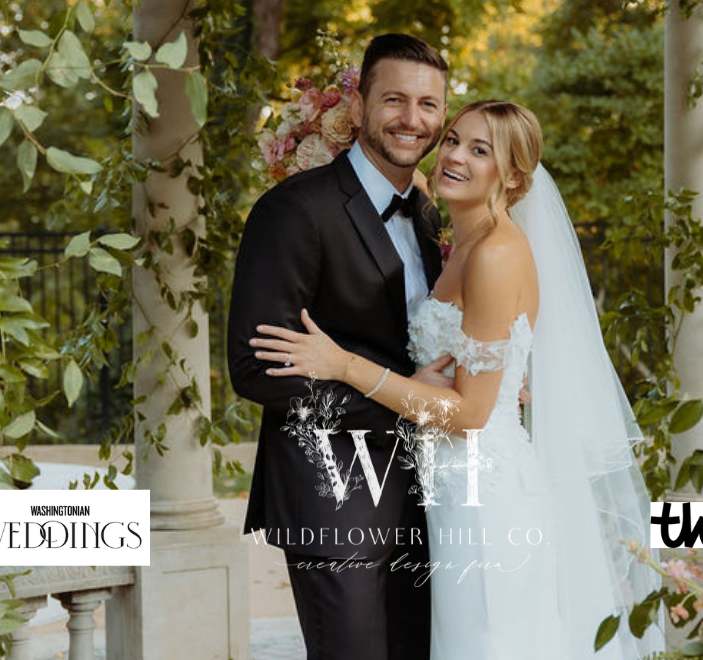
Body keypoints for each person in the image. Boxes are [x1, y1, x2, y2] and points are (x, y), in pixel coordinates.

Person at [251, 100, 663, 659]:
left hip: (485, 503)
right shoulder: (452, 236)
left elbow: (468, 415)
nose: (454, 157)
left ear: (514, 176)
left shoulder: (494, 254)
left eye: (479, 150)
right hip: (444, 496)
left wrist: (344, 364)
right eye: (451, 140)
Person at [227, 33, 449, 660]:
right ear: (358, 108)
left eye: (429, 104)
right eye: (395, 100)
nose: (413, 119)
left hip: (429, 496)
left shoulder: (431, 218)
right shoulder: (294, 211)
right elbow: (255, 370)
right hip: (335, 496)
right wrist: (402, 397)